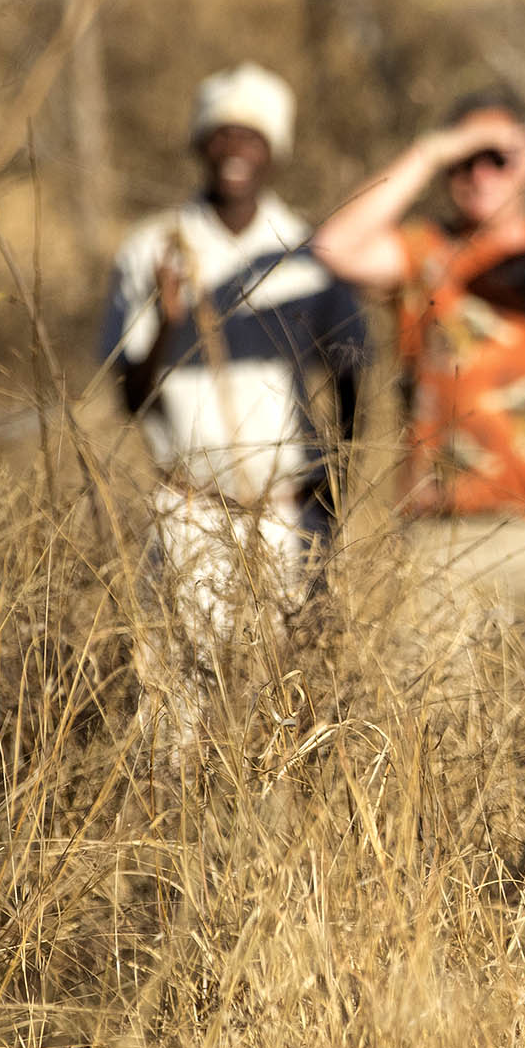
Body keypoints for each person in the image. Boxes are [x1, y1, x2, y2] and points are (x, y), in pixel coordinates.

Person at [312, 90, 525, 667]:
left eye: (496, 156)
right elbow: (333, 245)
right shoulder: (424, 252)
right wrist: (429, 150)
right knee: (437, 726)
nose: (479, 173)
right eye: (463, 160)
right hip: (438, 534)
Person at [101, 61, 366, 754]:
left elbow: (351, 374)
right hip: (191, 507)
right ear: (200, 144)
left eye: (251, 135)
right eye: (221, 135)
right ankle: (175, 850)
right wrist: (166, 316)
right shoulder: (153, 248)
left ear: (274, 149)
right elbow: (129, 396)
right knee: (177, 706)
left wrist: (334, 493)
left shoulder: (310, 254)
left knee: (281, 706)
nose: (235, 150)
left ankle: (266, 853)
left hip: (286, 512)